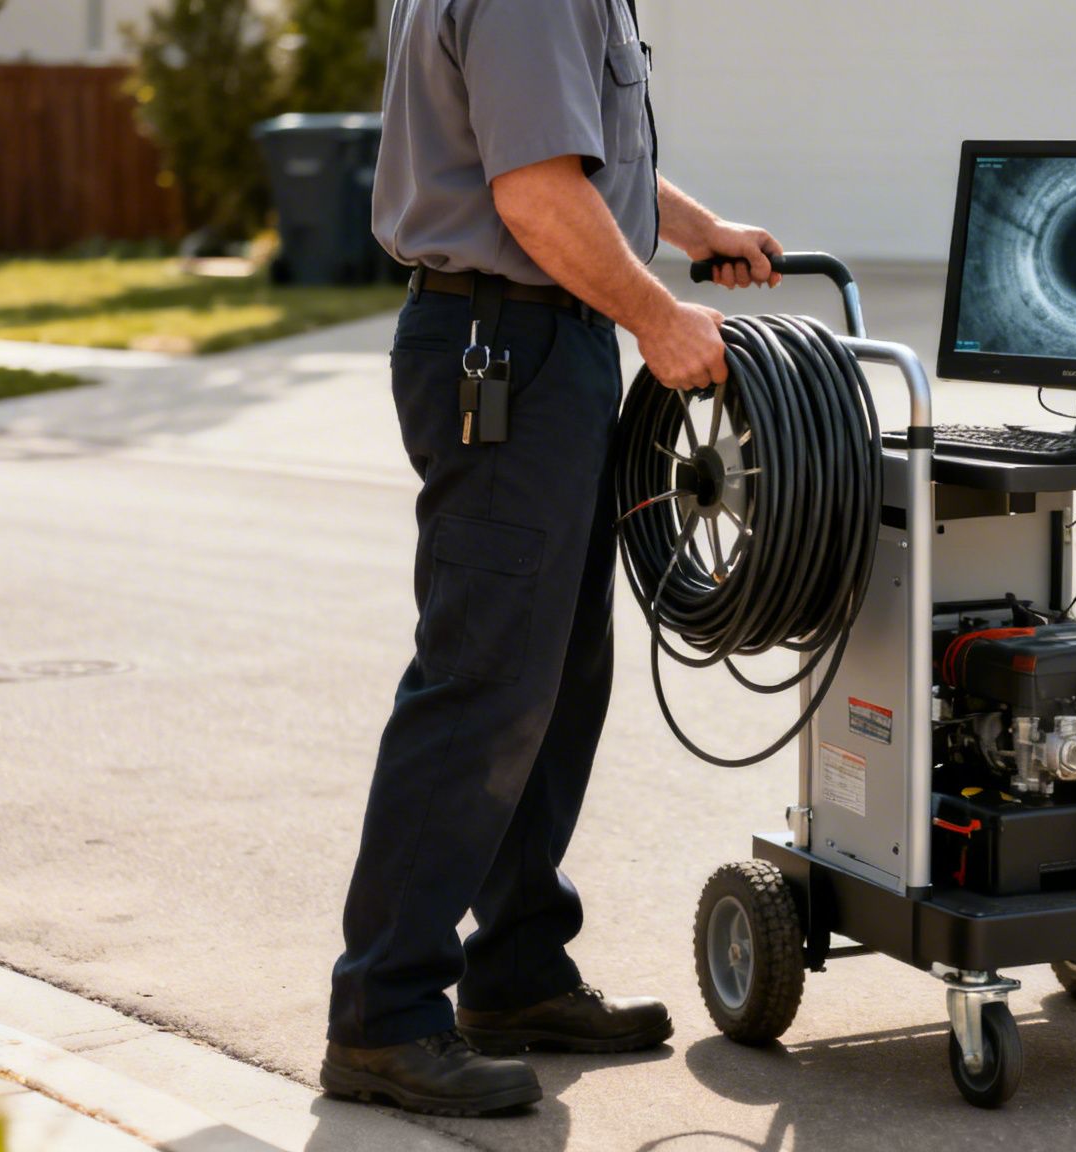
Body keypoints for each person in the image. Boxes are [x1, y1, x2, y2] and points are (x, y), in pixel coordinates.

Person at [322, 0, 782, 1116]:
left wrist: (696, 229)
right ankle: (382, 1014)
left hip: (537, 337)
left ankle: (517, 968)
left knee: (558, 673)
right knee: (482, 681)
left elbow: (575, 161)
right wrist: (656, 317)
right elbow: (532, 194)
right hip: (509, 343)